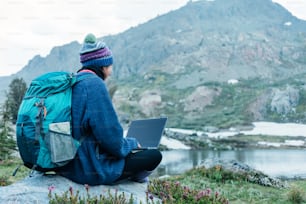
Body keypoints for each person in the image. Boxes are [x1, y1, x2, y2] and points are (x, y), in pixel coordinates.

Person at [57, 33, 162, 185]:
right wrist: (133, 144)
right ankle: (135, 179)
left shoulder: (74, 82)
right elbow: (112, 142)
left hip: (68, 164)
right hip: (89, 168)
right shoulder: (95, 85)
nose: (111, 70)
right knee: (153, 156)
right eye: (110, 65)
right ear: (103, 65)